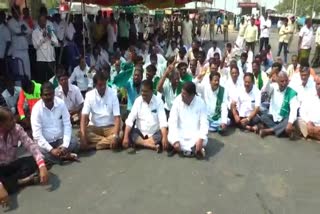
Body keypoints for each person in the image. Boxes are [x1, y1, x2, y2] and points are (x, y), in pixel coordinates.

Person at [0, 107, 49, 207]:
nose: (14, 121)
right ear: (1, 124)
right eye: (10, 120)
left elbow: (30, 145)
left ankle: (14, 183)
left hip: (12, 164)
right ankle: (23, 181)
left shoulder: (16, 128)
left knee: (37, 161)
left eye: (13, 118)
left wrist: (42, 166)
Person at [31, 82, 79, 164]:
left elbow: (67, 124)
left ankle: (57, 157)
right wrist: (51, 149)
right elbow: (37, 134)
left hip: (60, 140)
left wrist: (65, 145)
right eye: (45, 95)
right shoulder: (36, 109)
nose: (48, 97)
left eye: (50, 94)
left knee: (74, 141)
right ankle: (64, 156)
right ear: (41, 96)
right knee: (36, 149)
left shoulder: (61, 103)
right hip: (45, 143)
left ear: (54, 94)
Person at [123, 80, 168, 153]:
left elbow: (163, 121)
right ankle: (151, 145)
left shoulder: (159, 101)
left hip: (154, 133)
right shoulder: (138, 101)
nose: (143, 94)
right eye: (142, 91)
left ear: (151, 91)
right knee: (129, 131)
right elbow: (130, 119)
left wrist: (165, 137)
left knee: (164, 133)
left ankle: (141, 143)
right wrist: (125, 137)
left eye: (145, 91)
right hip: (140, 132)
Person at [80, 72, 122, 150]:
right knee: (81, 133)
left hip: (110, 127)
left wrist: (115, 136)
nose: (103, 87)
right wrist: (83, 137)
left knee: (120, 134)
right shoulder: (89, 95)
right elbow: (84, 116)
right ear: (95, 85)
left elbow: (117, 117)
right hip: (95, 127)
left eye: (104, 84)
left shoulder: (113, 93)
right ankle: (107, 142)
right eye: (100, 85)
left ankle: (93, 146)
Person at [167, 82, 208, 159]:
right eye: (181, 93)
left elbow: (204, 123)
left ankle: (184, 150)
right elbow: (172, 121)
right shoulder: (177, 101)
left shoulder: (201, 103)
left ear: (192, 95)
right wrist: (175, 140)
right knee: (170, 137)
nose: (181, 95)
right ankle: (194, 150)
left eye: (184, 94)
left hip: (194, 135)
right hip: (180, 134)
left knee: (204, 140)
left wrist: (201, 138)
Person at [259, 72, 299, 138]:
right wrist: (269, 79)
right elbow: (264, 89)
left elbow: (293, 109)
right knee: (263, 117)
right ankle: (283, 131)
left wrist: (290, 123)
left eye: (286, 81)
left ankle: (268, 131)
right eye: (282, 81)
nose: (284, 83)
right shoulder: (273, 87)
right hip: (273, 117)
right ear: (277, 81)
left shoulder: (291, 92)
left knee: (290, 119)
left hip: (283, 118)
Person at [32, 15, 59, 83]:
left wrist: (51, 37)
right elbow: (35, 46)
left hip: (51, 59)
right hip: (41, 60)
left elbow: (56, 43)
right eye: (41, 21)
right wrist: (42, 37)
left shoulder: (50, 31)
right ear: (38, 22)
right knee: (41, 81)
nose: (43, 23)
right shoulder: (35, 32)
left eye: (44, 21)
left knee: (52, 80)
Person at [7, 5, 31, 79]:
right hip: (16, 50)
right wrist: (23, 30)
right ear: (13, 13)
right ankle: (19, 88)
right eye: (16, 11)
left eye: (19, 11)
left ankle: (28, 86)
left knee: (27, 69)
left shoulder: (22, 21)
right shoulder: (10, 22)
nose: (18, 13)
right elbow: (17, 31)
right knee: (18, 71)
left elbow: (29, 31)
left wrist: (23, 30)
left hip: (25, 49)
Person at [0, 11, 11, 77]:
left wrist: (5, 54)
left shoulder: (5, 29)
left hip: (2, 56)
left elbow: (8, 42)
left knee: (3, 74)